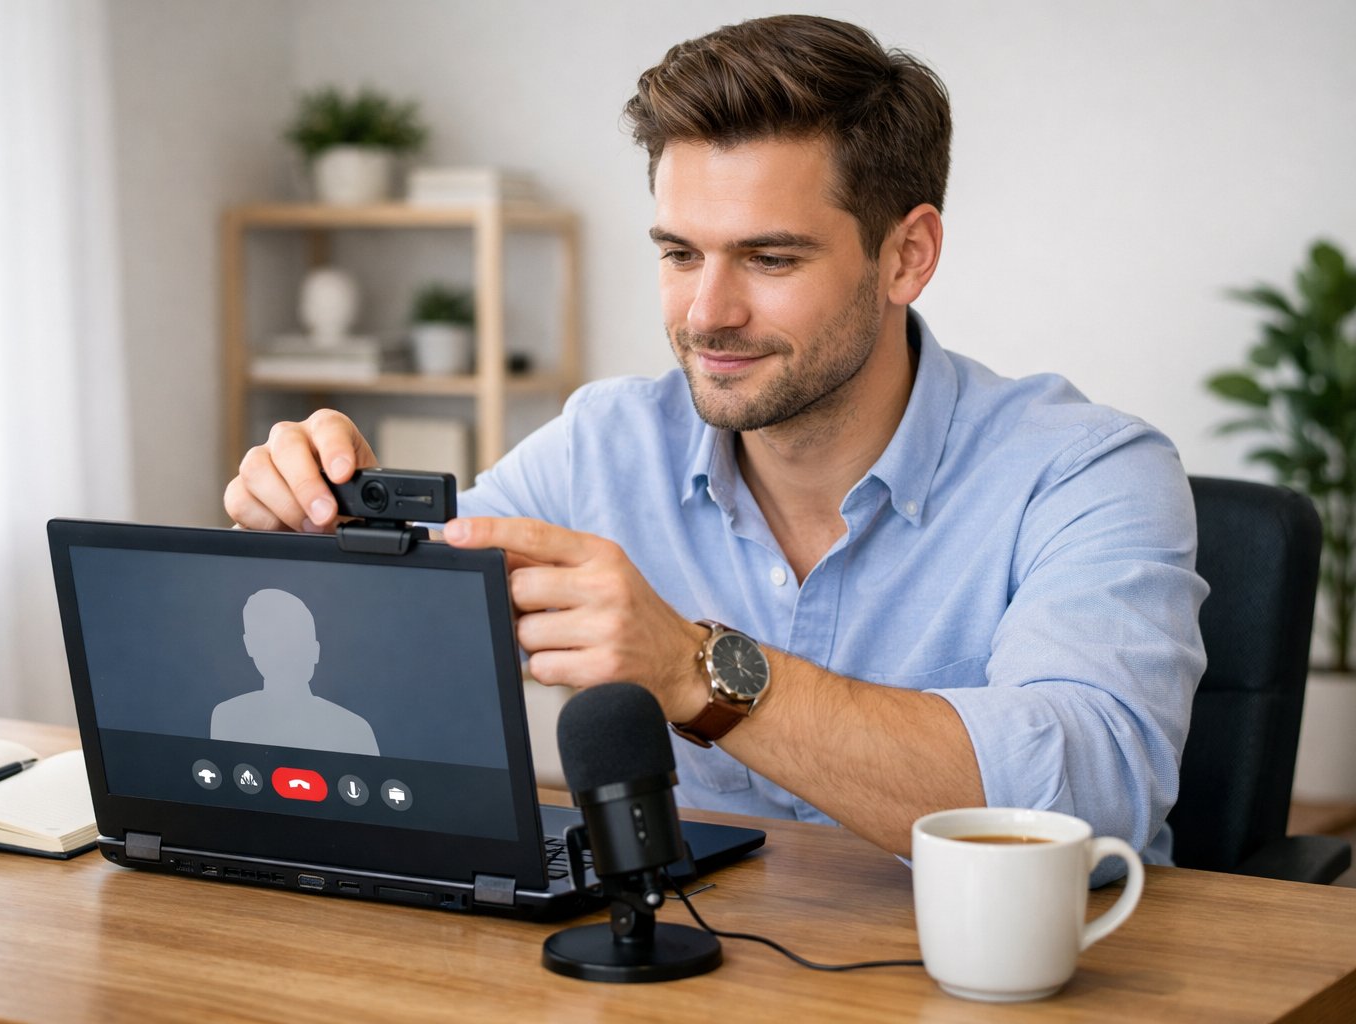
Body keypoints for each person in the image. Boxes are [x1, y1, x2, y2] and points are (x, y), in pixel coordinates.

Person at [224, 15, 1206, 872]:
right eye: (679, 253)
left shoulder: (1086, 470)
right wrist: (315, 520)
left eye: (770, 258)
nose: (707, 312)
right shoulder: (606, 443)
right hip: (699, 965)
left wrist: (698, 670)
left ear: (907, 255)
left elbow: (1092, 793)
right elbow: (366, 638)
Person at [211, 588, 380, 755]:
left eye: (297, 639)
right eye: (270, 642)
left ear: (315, 650)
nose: (285, 652)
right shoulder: (229, 717)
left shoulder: (355, 730)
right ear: (250, 646)